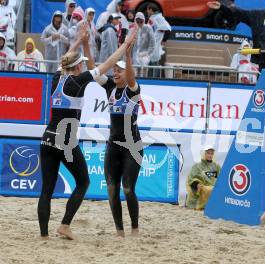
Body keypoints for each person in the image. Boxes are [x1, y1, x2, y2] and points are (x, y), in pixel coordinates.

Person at [37, 23, 138, 240]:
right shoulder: (78, 81)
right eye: (81, 64)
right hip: (65, 142)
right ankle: (64, 225)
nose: (83, 67)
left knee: (46, 190)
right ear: (77, 68)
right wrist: (126, 44)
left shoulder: (57, 78)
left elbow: (64, 58)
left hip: (47, 138)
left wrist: (79, 41)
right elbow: (108, 63)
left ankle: (44, 236)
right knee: (83, 182)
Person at [97, 46, 144, 238]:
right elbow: (95, 69)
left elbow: (131, 77)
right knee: (111, 189)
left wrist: (128, 55)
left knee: (127, 188)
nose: (115, 72)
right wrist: (85, 44)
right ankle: (119, 231)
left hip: (132, 147)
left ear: (128, 73)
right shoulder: (109, 87)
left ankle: (134, 228)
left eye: (120, 69)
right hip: (113, 145)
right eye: (114, 69)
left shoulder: (133, 90)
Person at [207, 0, 265, 70]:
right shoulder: (258, 15)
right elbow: (239, 13)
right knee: (261, 91)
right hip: (261, 63)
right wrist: (222, 7)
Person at [186, 146, 221, 210]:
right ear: (204, 154)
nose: (210, 155)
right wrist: (197, 185)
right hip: (201, 187)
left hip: (213, 186)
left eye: (211, 153)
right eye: (208, 153)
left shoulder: (216, 166)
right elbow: (191, 178)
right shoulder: (197, 165)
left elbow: (221, 177)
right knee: (208, 190)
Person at [147, 3, 171, 77]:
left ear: (151, 9)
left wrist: (164, 40)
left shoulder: (158, 18)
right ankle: (150, 81)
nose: (147, 12)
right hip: (150, 47)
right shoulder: (153, 18)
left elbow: (168, 28)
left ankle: (155, 82)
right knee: (150, 66)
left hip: (155, 47)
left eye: (147, 10)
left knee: (154, 65)